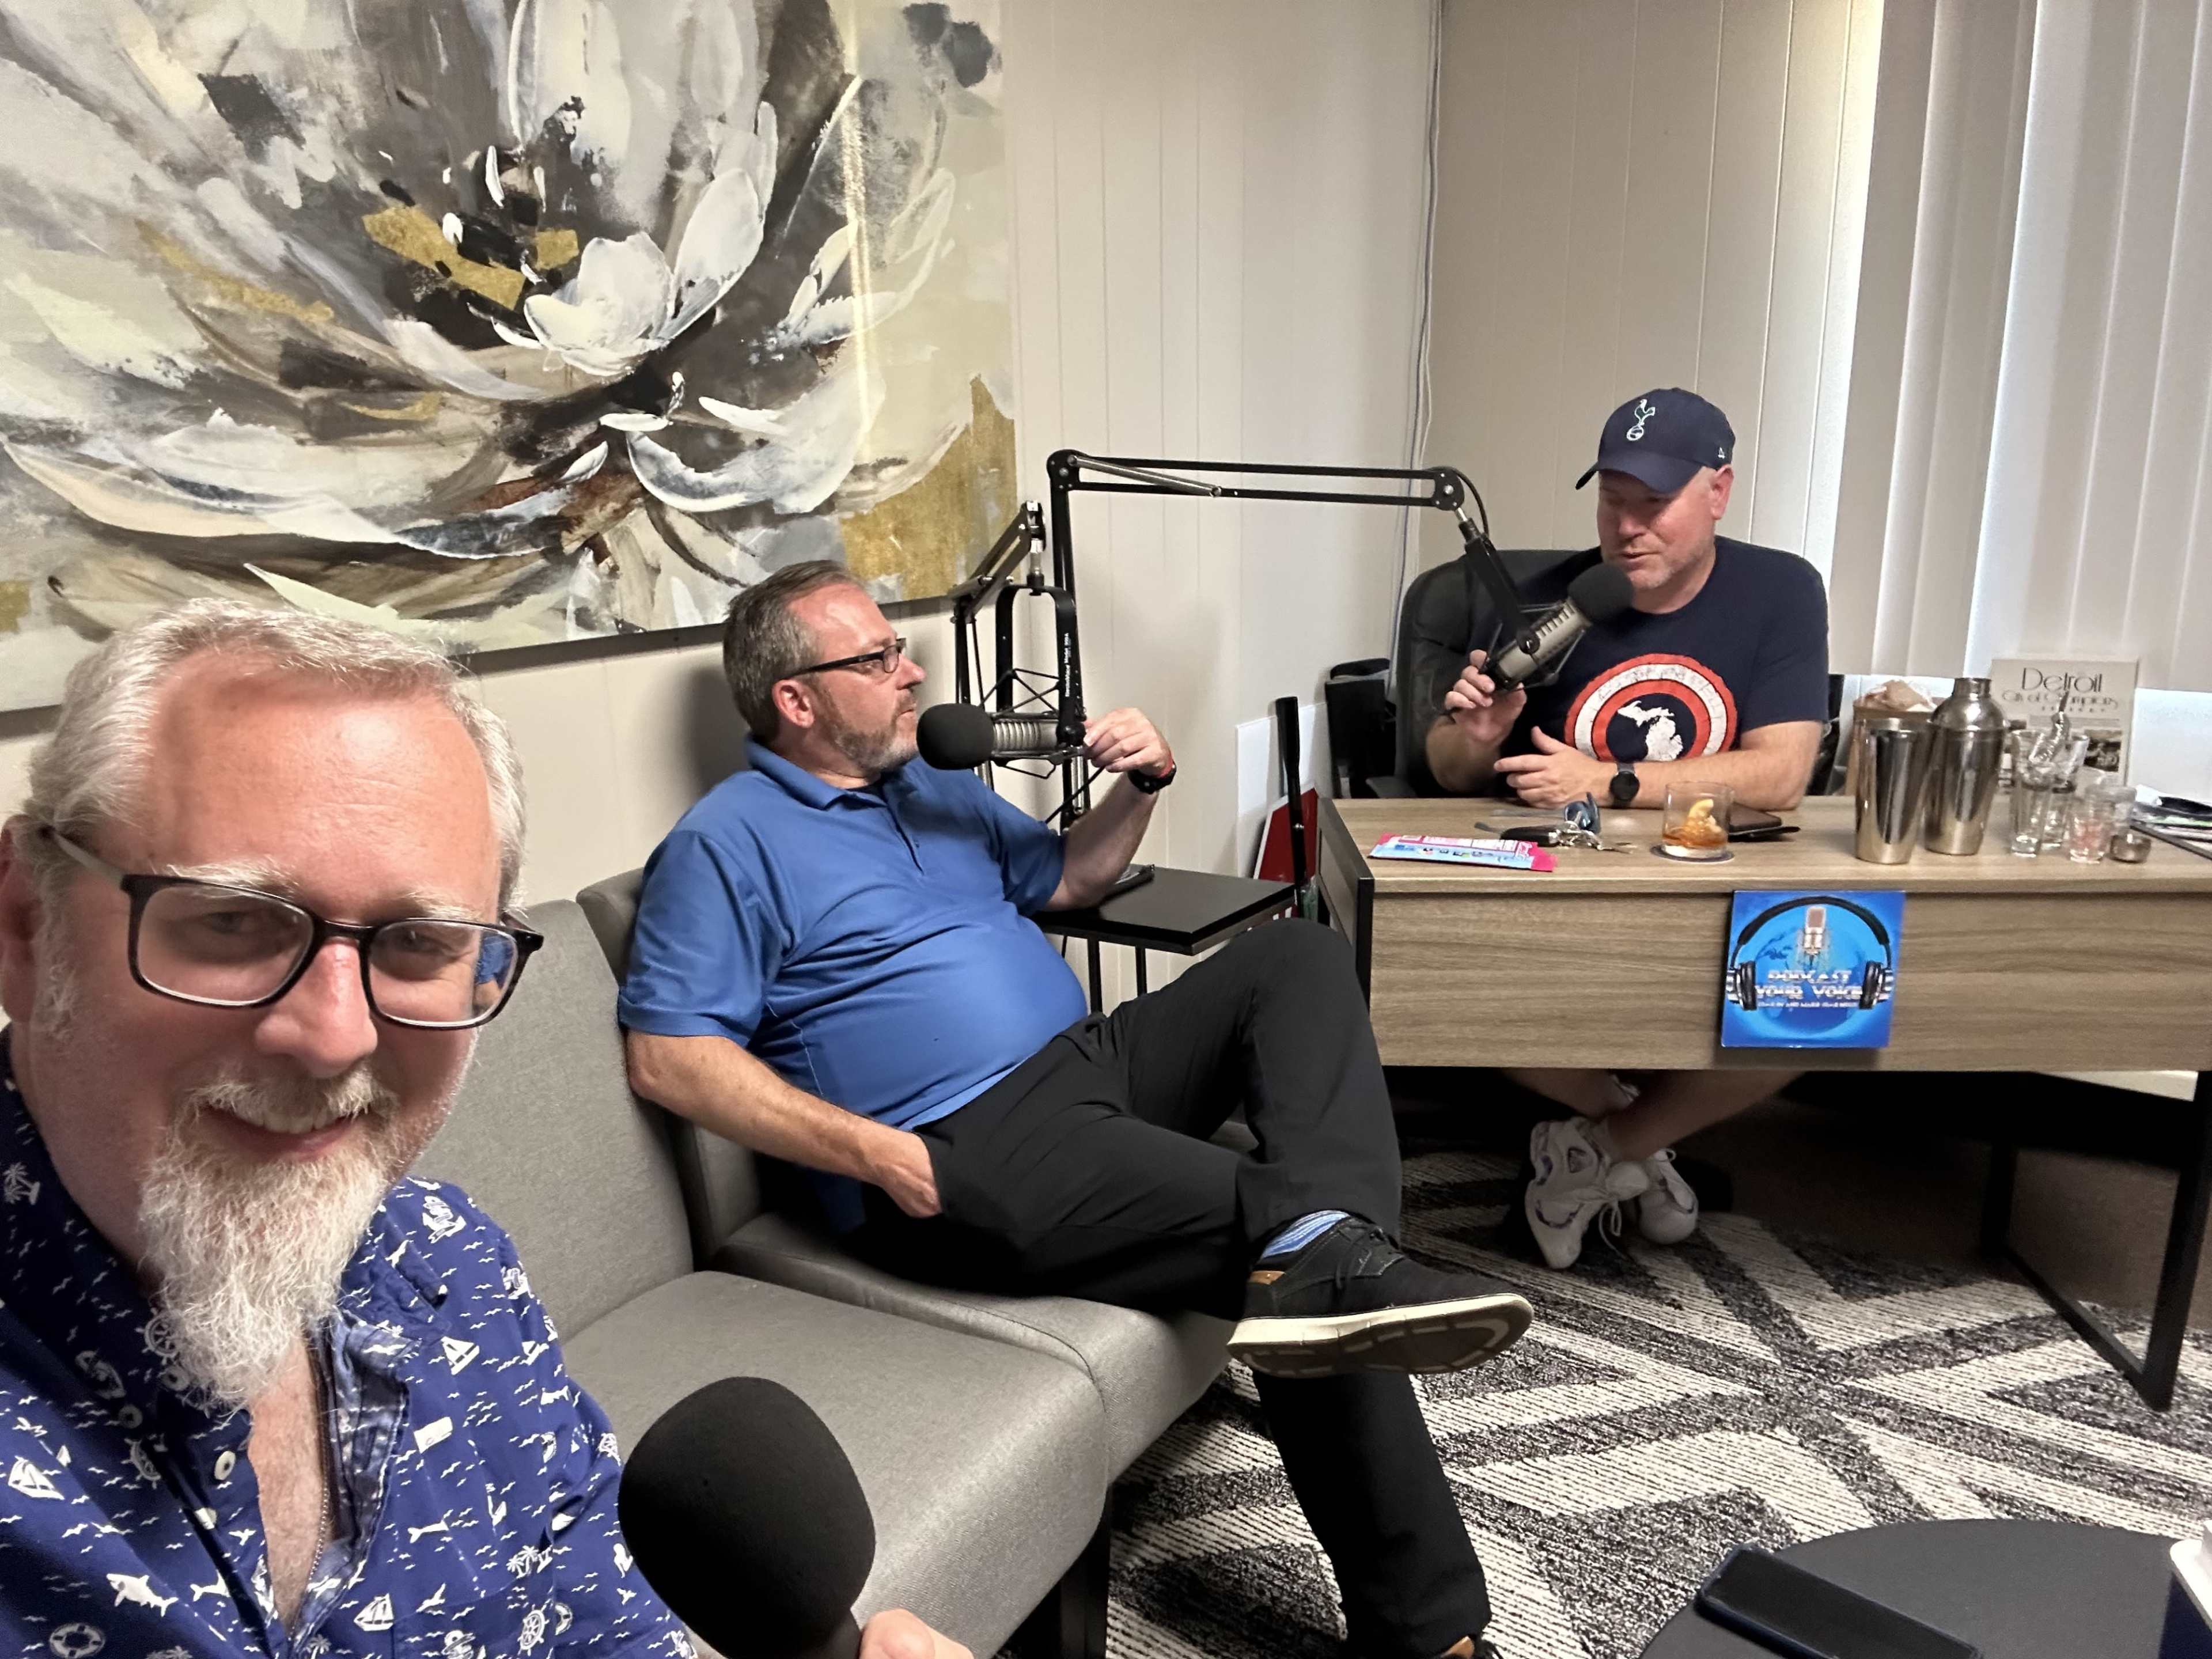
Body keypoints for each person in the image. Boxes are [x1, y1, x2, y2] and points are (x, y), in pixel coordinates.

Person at [0, 601, 966, 1659]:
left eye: (419, 942)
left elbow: (602, 1626)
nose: (334, 1036)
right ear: (27, 923)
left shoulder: (448, 1264)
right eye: (231, 921)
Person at [620, 560, 1534, 1659]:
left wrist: (1141, 785)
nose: (912, 674)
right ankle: (1429, 1636)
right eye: (878, 657)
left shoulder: (929, 782)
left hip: (1087, 1063)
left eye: (900, 649)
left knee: (1295, 958)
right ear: (796, 700)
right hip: (964, 1142)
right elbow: (671, 1058)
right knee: (1282, 1237)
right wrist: (879, 1154)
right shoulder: (726, 843)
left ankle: (1339, 1253)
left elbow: (1069, 881)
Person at [1410, 389, 1828, 1270]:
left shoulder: (1781, 591)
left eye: (1655, 504)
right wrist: (1474, 739)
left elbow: (1783, 775)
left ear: (1718, 492)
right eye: (1613, 502)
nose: (1628, 528)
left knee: (1818, 999)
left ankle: (1600, 1151)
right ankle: (1638, 1145)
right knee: (1453, 985)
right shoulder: (1543, 603)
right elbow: (1447, 772)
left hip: (1716, 890)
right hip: (1570, 899)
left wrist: (1607, 781)